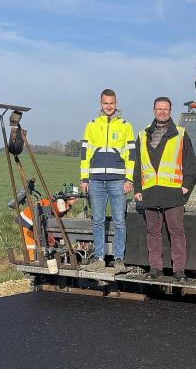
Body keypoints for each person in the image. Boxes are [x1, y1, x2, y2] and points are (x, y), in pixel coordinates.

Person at [133, 96, 196, 282]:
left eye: (165, 109)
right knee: (153, 232)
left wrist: (186, 187)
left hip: (173, 192)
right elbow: (137, 164)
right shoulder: (142, 135)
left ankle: (179, 270)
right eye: (159, 108)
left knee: (177, 232)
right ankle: (155, 268)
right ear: (154, 110)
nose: (162, 112)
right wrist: (138, 188)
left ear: (170, 111)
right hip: (150, 191)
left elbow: (190, 163)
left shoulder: (181, 134)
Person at [80, 89, 135, 273]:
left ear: (116, 103)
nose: (109, 106)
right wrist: (84, 178)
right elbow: (85, 154)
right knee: (98, 220)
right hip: (95, 181)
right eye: (105, 103)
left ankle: (119, 260)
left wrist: (129, 178)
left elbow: (131, 155)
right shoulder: (92, 125)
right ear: (100, 103)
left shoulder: (126, 125)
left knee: (120, 221)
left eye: (111, 103)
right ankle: (99, 258)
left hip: (118, 181)